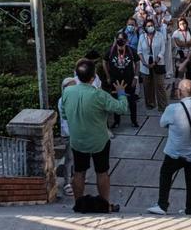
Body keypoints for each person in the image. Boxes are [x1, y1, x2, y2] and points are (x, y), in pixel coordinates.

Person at [60, 60, 129, 208]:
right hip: (99, 141)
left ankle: (78, 204)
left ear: (76, 74)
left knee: (79, 172)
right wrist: (121, 92)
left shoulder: (67, 92)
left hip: (77, 140)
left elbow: (64, 115)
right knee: (102, 172)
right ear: (93, 77)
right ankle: (105, 206)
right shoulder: (99, 95)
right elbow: (122, 108)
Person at [147, 79, 191, 216]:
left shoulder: (172, 109)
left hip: (175, 152)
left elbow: (162, 123)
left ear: (179, 93)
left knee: (165, 174)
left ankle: (162, 204)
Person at [105, 32, 139, 128]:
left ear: (126, 40)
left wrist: (136, 77)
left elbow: (137, 63)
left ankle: (134, 120)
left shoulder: (131, 50)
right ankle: (116, 121)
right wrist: (108, 76)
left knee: (132, 101)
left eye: (122, 39)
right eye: (118, 39)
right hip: (115, 82)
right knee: (116, 101)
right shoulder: (111, 50)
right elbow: (104, 61)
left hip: (129, 81)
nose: (120, 41)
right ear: (115, 40)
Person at [138, 20, 167, 111]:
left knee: (160, 85)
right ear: (145, 27)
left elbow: (163, 50)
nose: (150, 27)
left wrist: (156, 61)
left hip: (158, 63)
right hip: (145, 64)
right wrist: (143, 62)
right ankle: (150, 104)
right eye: (148, 26)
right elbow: (139, 51)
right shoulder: (142, 36)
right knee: (147, 85)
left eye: (151, 25)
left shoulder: (160, 35)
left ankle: (163, 106)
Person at [58, 77, 77, 197]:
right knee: (69, 158)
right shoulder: (63, 100)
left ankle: (76, 177)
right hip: (69, 133)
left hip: (77, 133)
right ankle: (67, 183)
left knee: (76, 157)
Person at [171, 17, 191, 98]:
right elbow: (179, 44)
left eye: (184, 23)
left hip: (189, 55)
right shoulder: (176, 33)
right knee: (179, 74)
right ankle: (175, 92)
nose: (183, 25)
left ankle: (189, 91)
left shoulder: (190, 31)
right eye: (181, 24)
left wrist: (186, 43)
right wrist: (188, 43)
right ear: (178, 25)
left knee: (190, 72)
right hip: (180, 56)